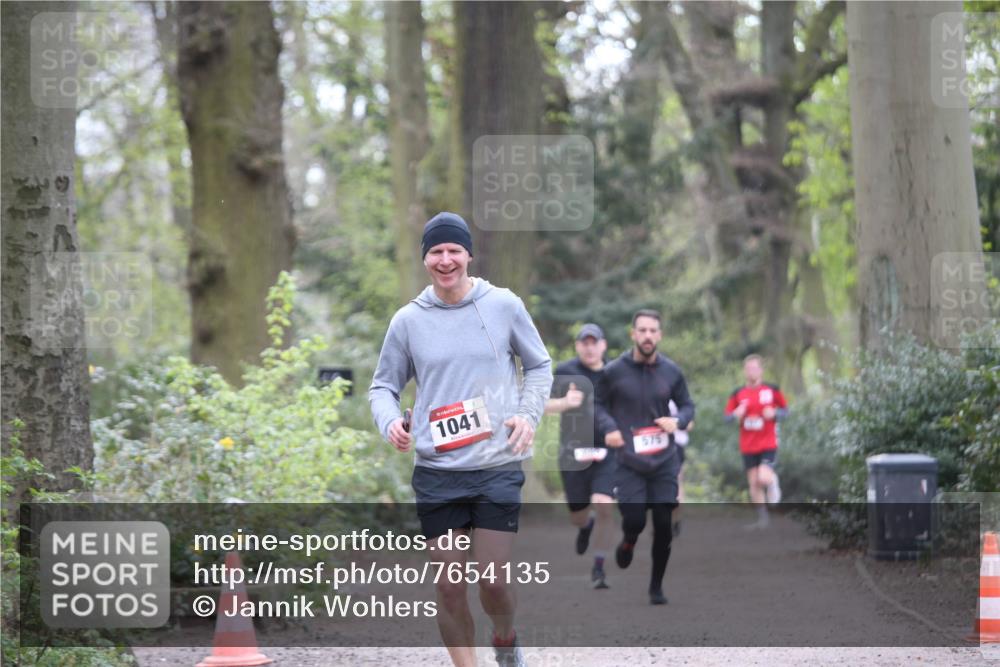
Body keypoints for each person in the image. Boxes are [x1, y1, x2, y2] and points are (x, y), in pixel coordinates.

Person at [369, 212, 552, 667]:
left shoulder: (504, 305)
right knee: (450, 584)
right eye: (436, 251)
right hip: (438, 471)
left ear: (468, 254)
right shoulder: (408, 321)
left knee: (493, 580)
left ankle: (505, 639)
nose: (446, 260)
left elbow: (540, 366)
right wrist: (390, 420)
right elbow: (382, 387)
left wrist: (528, 415)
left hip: (496, 463)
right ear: (425, 259)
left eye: (454, 250)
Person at [595, 309, 694, 605]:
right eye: (642, 330)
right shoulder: (614, 371)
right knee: (635, 520)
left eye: (653, 331)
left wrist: (678, 421)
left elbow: (688, 405)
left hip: (664, 459)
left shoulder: (672, 371)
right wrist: (609, 428)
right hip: (629, 461)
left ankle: (656, 586)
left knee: (664, 524)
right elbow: (597, 405)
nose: (648, 336)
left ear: (659, 335)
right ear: (633, 334)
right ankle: (628, 540)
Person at [544, 323, 614, 589]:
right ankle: (586, 526)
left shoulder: (615, 373)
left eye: (594, 342)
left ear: (603, 345)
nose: (589, 347)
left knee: (604, 503)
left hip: (607, 453)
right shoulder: (565, 372)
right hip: (573, 454)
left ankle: (599, 566)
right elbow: (539, 405)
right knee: (578, 515)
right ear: (577, 346)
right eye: (584, 342)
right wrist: (564, 403)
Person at [724, 354, 789, 529]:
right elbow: (727, 418)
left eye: (755, 368)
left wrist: (775, 414)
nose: (752, 371)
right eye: (748, 368)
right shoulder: (738, 393)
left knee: (763, 476)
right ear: (745, 371)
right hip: (747, 445)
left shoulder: (772, 390)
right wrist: (735, 414)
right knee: (754, 483)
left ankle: (773, 482)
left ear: (761, 370)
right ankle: (763, 519)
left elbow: (786, 411)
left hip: (768, 442)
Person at [667, 399, 693, 538]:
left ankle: (676, 521)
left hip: (676, 445)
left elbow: (690, 425)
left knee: (676, 484)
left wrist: (673, 423)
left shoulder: (678, 394)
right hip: (653, 446)